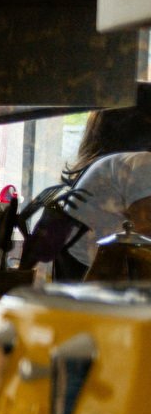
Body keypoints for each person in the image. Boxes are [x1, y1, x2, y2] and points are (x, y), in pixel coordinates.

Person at [59, 84, 151, 273]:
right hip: (104, 291)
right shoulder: (140, 163)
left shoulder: (107, 167)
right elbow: (147, 235)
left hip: (87, 287)